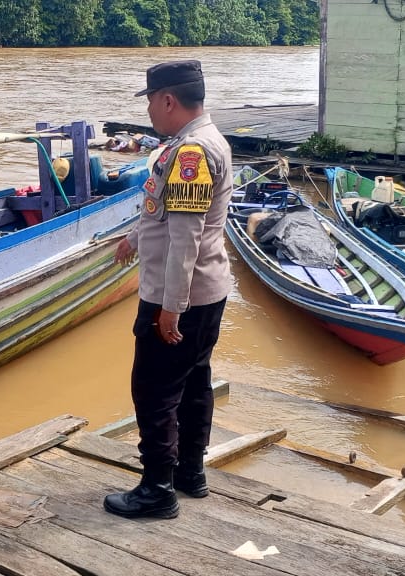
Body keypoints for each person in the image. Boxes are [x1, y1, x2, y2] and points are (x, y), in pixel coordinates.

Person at [105, 60, 234, 520]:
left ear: (167, 100)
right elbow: (165, 212)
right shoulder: (204, 141)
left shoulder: (190, 155)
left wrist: (171, 308)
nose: (148, 112)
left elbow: (185, 236)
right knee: (195, 381)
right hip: (208, 292)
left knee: (154, 391)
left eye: (150, 102)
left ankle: (157, 490)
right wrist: (134, 238)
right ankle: (189, 473)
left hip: (178, 296)